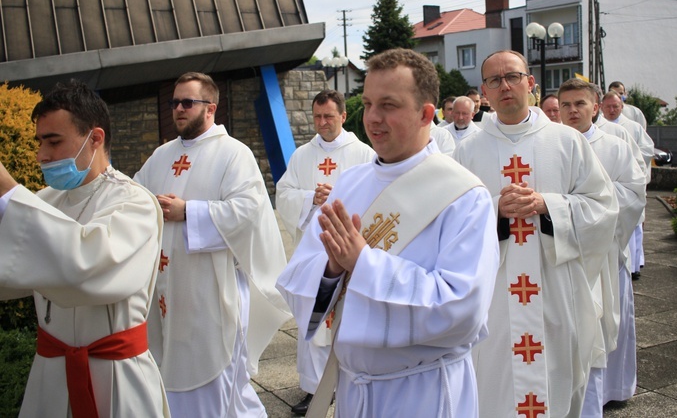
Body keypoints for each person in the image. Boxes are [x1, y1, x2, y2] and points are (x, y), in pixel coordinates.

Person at [276, 48, 499, 417]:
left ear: (427, 113)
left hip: (422, 391)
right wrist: (331, 271)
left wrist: (362, 262)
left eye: (388, 105)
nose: (373, 118)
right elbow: (298, 277)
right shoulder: (350, 182)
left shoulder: (464, 195)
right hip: (354, 390)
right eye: (367, 103)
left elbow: (463, 309)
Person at [454, 50, 618, 418]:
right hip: (494, 293)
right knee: (494, 381)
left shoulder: (566, 142)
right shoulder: (467, 152)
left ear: (530, 83)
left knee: (556, 375)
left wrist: (548, 205)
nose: (505, 86)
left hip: (555, 285)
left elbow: (603, 207)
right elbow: (451, 219)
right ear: (484, 91)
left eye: (512, 77)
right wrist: (495, 207)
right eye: (494, 81)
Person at [0, 80, 169, 417]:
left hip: (115, 374)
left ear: (95, 138)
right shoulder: (43, 201)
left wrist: (6, 188)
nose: (42, 155)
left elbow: (85, 268)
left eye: (54, 141)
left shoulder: (134, 203)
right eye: (40, 142)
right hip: (51, 371)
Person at [134, 72, 290, 417]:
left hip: (212, 287)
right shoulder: (161, 155)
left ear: (211, 108)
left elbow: (248, 211)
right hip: (167, 286)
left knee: (222, 383)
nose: (178, 109)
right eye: (174, 102)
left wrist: (188, 211)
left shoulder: (234, 154)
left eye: (187, 102)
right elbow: (135, 195)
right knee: (174, 372)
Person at [275, 89, 374, 415]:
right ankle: (314, 388)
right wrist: (309, 198)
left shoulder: (361, 152)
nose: (322, 123)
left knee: (347, 318)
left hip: (349, 250)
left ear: (343, 116)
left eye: (328, 116)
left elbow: (376, 196)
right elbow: (283, 193)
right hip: (314, 254)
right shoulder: (302, 155)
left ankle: (351, 381)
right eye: (317, 117)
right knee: (313, 320)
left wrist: (340, 198)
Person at [558, 79, 646, 417]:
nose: (572, 111)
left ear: (595, 107)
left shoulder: (615, 146)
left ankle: (613, 389)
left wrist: (594, 207)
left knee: (610, 323)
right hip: (566, 250)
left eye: (580, 103)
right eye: (565, 105)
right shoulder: (553, 146)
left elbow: (634, 194)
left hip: (607, 251)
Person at [601, 91, 654, 280]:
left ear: (621, 107)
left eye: (615, 106)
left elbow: (646, 150)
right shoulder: (596, 126)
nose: (612, 110)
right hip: (605, 188)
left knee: (633, 227)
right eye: (608, 106)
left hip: (626, 183)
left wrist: (629, 165)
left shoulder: (631, 127)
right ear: (600, 107)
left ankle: (635, 264)